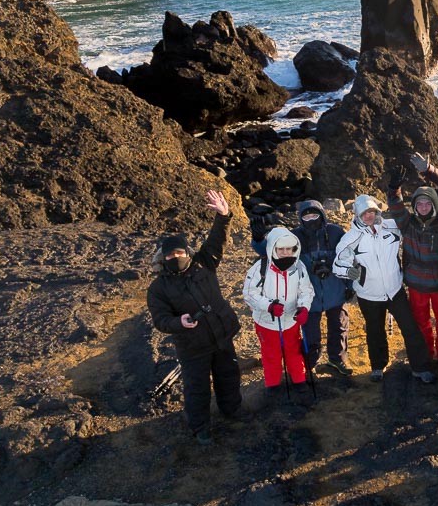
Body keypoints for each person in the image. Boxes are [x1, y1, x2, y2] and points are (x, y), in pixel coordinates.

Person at [147, 190, 243, 445]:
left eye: (179, 252)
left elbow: (217, 239)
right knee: (197, 388)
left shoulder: (204, 262)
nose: (175, 257)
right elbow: (160, 319)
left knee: (229, 376)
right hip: (192, 345)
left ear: (187, 252)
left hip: (221, 334)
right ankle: (200, 428)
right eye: (169, 255)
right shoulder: (158, 288)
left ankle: (232, 411)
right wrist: (179, 323)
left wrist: (224, 215)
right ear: (162, 259)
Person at [333, 194, 436, 384]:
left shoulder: (391, 226)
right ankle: (378, 366)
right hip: (369, 295)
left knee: (410, 328)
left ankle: (420, 367)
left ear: (377, 211)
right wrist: (350, 272)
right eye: (364, 213)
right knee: (374, 330)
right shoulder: (350, 238)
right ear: (356, 214)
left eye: (371, 211)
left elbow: (413, 225)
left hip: (395, 290)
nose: (368, 216)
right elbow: (337, 265)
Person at [252, 199, 351, 376]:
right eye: (306, 216)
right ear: (300, 218)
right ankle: (308, 364)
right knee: (310, 335)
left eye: (315, 215)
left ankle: (337, 360)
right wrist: (258, 239)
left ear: (322, 215)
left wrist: (350, 286)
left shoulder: (335, 232)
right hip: (308, 297)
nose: (311, 219)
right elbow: (270, 252)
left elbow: (349, 258)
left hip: (335, 291)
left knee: (339, 327)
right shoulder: (294, 237)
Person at [242, 226, 316, 405]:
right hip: (266, 322)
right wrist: (268, 306)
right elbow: (249, 293)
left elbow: (306, 290)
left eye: (288, 249)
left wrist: (304, 308)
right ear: (272, 248)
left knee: (294, 351)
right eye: (280, 249)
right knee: (271, 354)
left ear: (294, 249)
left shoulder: (299, 267)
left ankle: (299, 379)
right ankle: (272, 384)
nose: (284, 253)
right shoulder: (260, 268)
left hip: (290, 321)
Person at [388, 172, 438, 367]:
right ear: (414, 206)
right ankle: (426, 354)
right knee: (421, 323)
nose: (423, 207)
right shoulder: (408, 224)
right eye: (419, 204)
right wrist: (394, 190)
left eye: (427, 204)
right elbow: (396, 207)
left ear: (434, 205)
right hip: (416, 284)